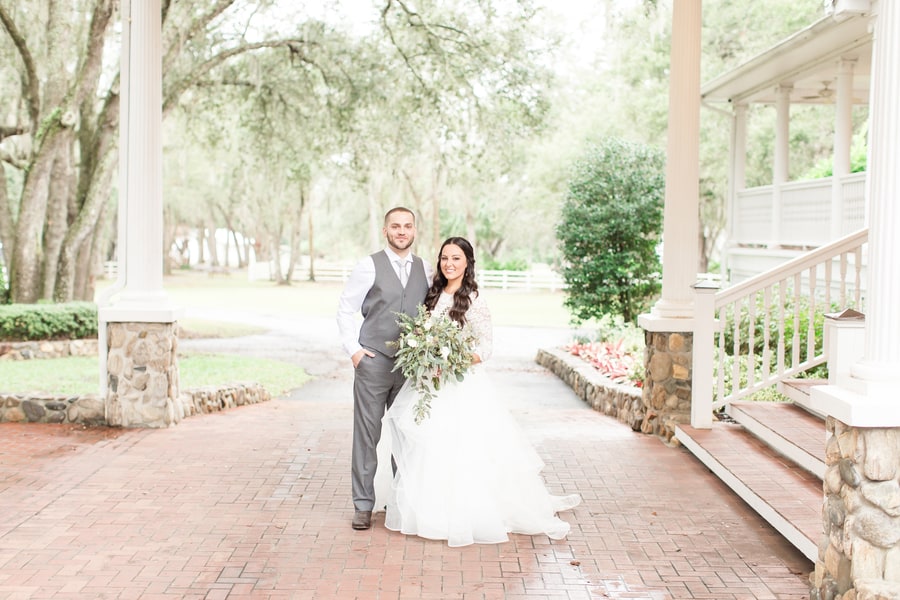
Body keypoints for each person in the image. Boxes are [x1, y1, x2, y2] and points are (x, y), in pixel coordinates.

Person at [375, 236, 581, 547]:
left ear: (468, 263)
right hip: (431, 385)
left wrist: (451, 359)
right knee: (431, 446)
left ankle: (468, 512)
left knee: (463, 448)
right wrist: (426, 355)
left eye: (456, 258)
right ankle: (430, 510)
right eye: (445, 258)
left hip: (461, 385)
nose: (449, 264)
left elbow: (486, 348)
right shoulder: (433, 294)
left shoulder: (474, 298)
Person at [337, 207, 433, 530]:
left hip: (410, 367)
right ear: (385, 230)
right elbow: (345, 309)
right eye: (396, 226)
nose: (402, 231)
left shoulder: (425, 269)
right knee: (367, 435)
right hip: (373, 362)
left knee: (406, 435)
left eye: (407, 226)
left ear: (415, 231)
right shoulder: (369, 266)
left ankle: (402, 502)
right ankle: (363, 505)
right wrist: (354, 352)